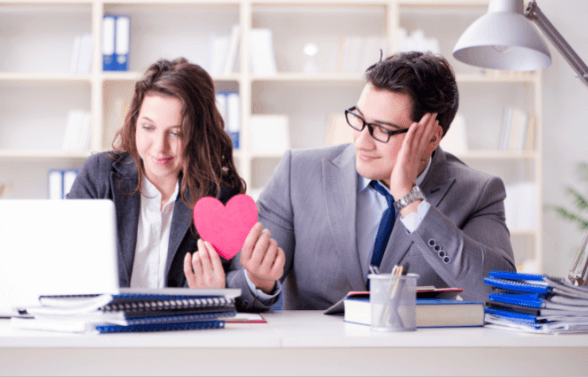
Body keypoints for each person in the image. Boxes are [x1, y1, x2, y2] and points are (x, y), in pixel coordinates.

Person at [255, 51, 516, 309]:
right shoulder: (298, 173)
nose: (362, 141)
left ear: (431, 139)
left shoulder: (478, 193)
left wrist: (410, 200)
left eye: (382, 130)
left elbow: (500, 294)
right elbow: (242, 283)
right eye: (359, 119)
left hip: (409, 350)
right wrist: (259, 282)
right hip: (318, 349)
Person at [68, 58, 284, 312]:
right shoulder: (99, 174)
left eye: (176, 133)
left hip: (182, 338)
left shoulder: (220, 191)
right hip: (107, 334)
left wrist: (248, 283)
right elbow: (64, 258)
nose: (160, 146)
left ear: (198, 134)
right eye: (148, 127)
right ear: (134, 122)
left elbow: (236, 274)